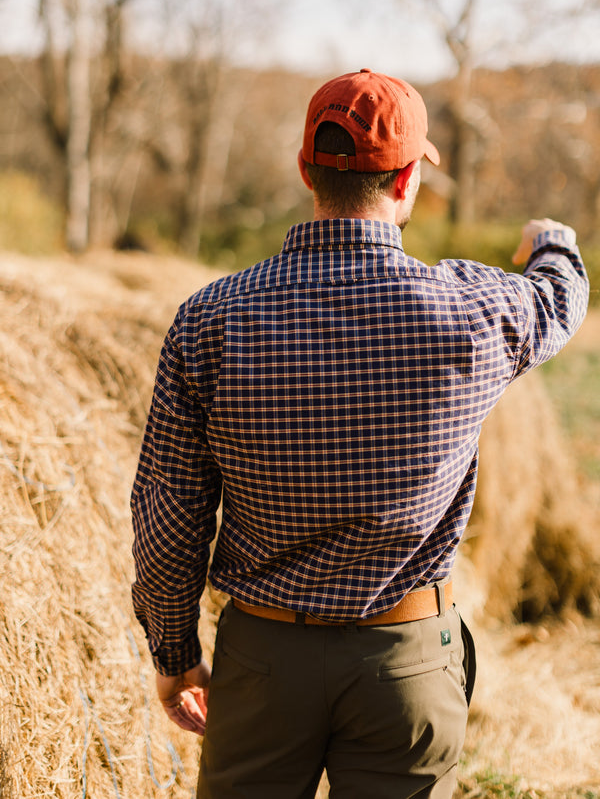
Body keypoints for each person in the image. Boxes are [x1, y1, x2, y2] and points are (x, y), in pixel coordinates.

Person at [131, 68, 589, 799]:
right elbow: (562, 300)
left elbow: (168, 513)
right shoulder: (475, 311)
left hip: (262, 659)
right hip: (406, 660)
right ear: (407, 181)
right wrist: (551, 242)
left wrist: (173, 653)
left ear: (304, 170)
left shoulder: (210, 319)